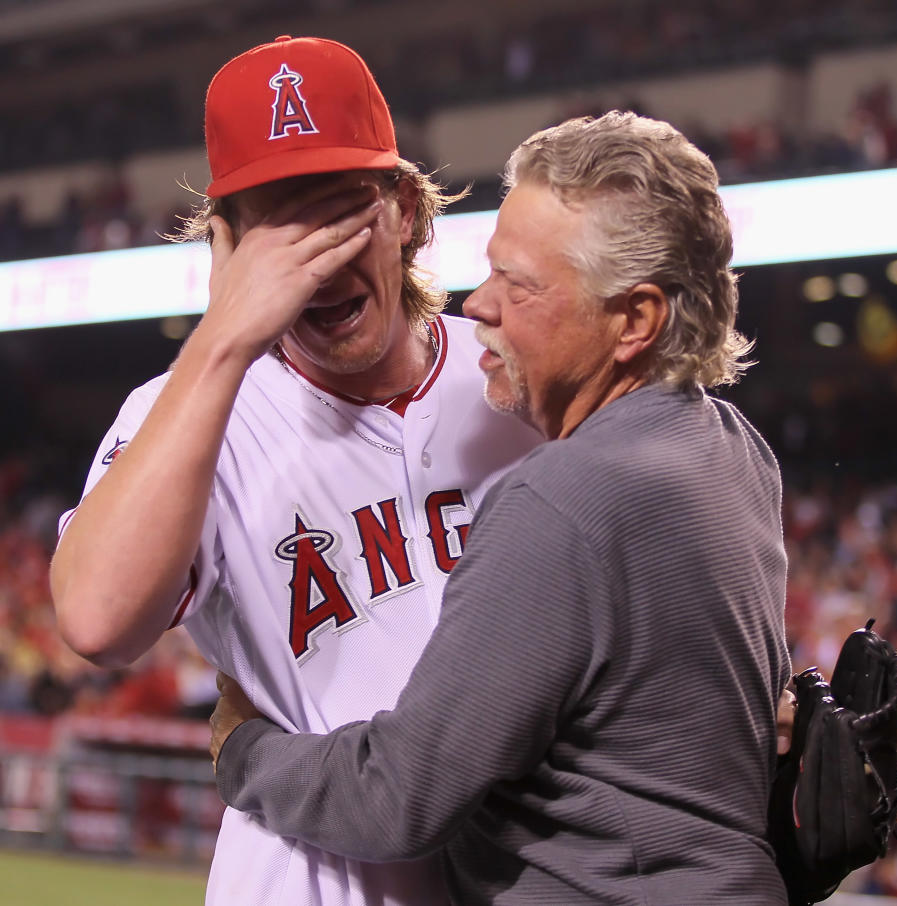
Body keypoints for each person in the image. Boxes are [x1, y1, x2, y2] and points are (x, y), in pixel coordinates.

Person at [209, 111, 792, 904]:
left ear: (636, 320)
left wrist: (243, 751)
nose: (476, 304)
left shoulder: (562, 498)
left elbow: (397, 798)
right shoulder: (734, 448)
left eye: (517, 284)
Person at [50, 36, 541, 906]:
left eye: (340, 209)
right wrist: (224, 338)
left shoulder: (516, 374)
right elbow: (97, 621)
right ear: (226, 245)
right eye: (279, 224)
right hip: (314, 884)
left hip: (530, 877)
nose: (315, 260)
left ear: (406, 213)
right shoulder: (187, 414)